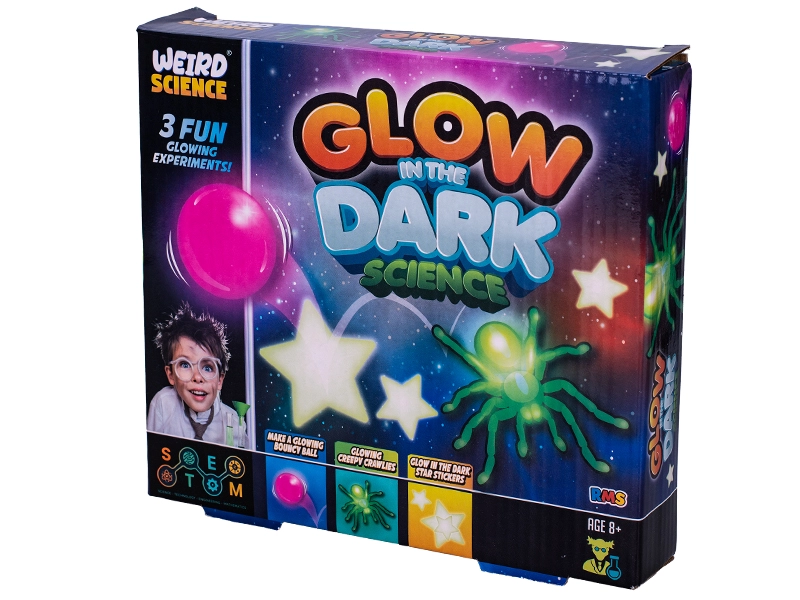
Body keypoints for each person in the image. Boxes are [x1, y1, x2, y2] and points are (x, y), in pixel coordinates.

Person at [147, 303, 248, 446]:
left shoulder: (233, 421)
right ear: (170, 375)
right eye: (185, 365)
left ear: (220, 380)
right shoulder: (164, 403)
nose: (198, 377)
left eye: (207, 368)